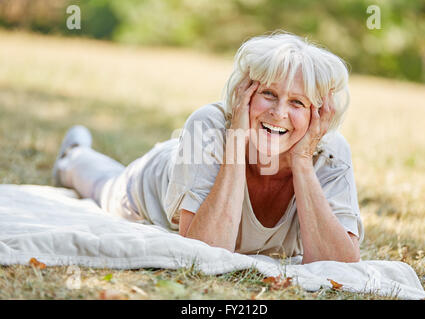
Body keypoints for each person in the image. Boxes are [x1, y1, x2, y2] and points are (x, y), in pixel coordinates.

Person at [52, 32, 364, 263]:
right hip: (151, 182)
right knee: (105, 185)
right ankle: (74, 156)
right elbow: (205, 250)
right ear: (244, 94)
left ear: (319, 114)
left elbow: (340, 265)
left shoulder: (330, 152)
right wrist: (237, 141)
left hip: (202, 159)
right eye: (268, 93)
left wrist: (302, 160)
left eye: (297, 102)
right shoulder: (207, 125)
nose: (279, 112)